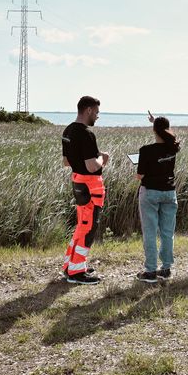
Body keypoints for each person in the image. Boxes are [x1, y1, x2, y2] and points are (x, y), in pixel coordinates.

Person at [60, 95, 109, 285]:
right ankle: (77, 272)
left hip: (78, 182)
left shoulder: (68, 131)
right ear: (88, 110)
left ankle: (71, 265)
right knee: (88, 228)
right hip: (90, 186)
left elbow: (66, 162)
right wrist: (103, 158)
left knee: (82, 225)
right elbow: (91, 166)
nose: (97, 116)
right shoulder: (86, 134)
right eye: (96, 112)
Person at [136, 114, 180, 283]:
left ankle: (150, 271)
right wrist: (155, 122)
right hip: (169, 192)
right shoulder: (173, 148)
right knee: (167, 233)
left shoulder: (146, 150)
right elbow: (165, 133)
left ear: (154, 130)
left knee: (150, 232)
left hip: (150, 193)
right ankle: (166, 268)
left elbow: (140, 175)